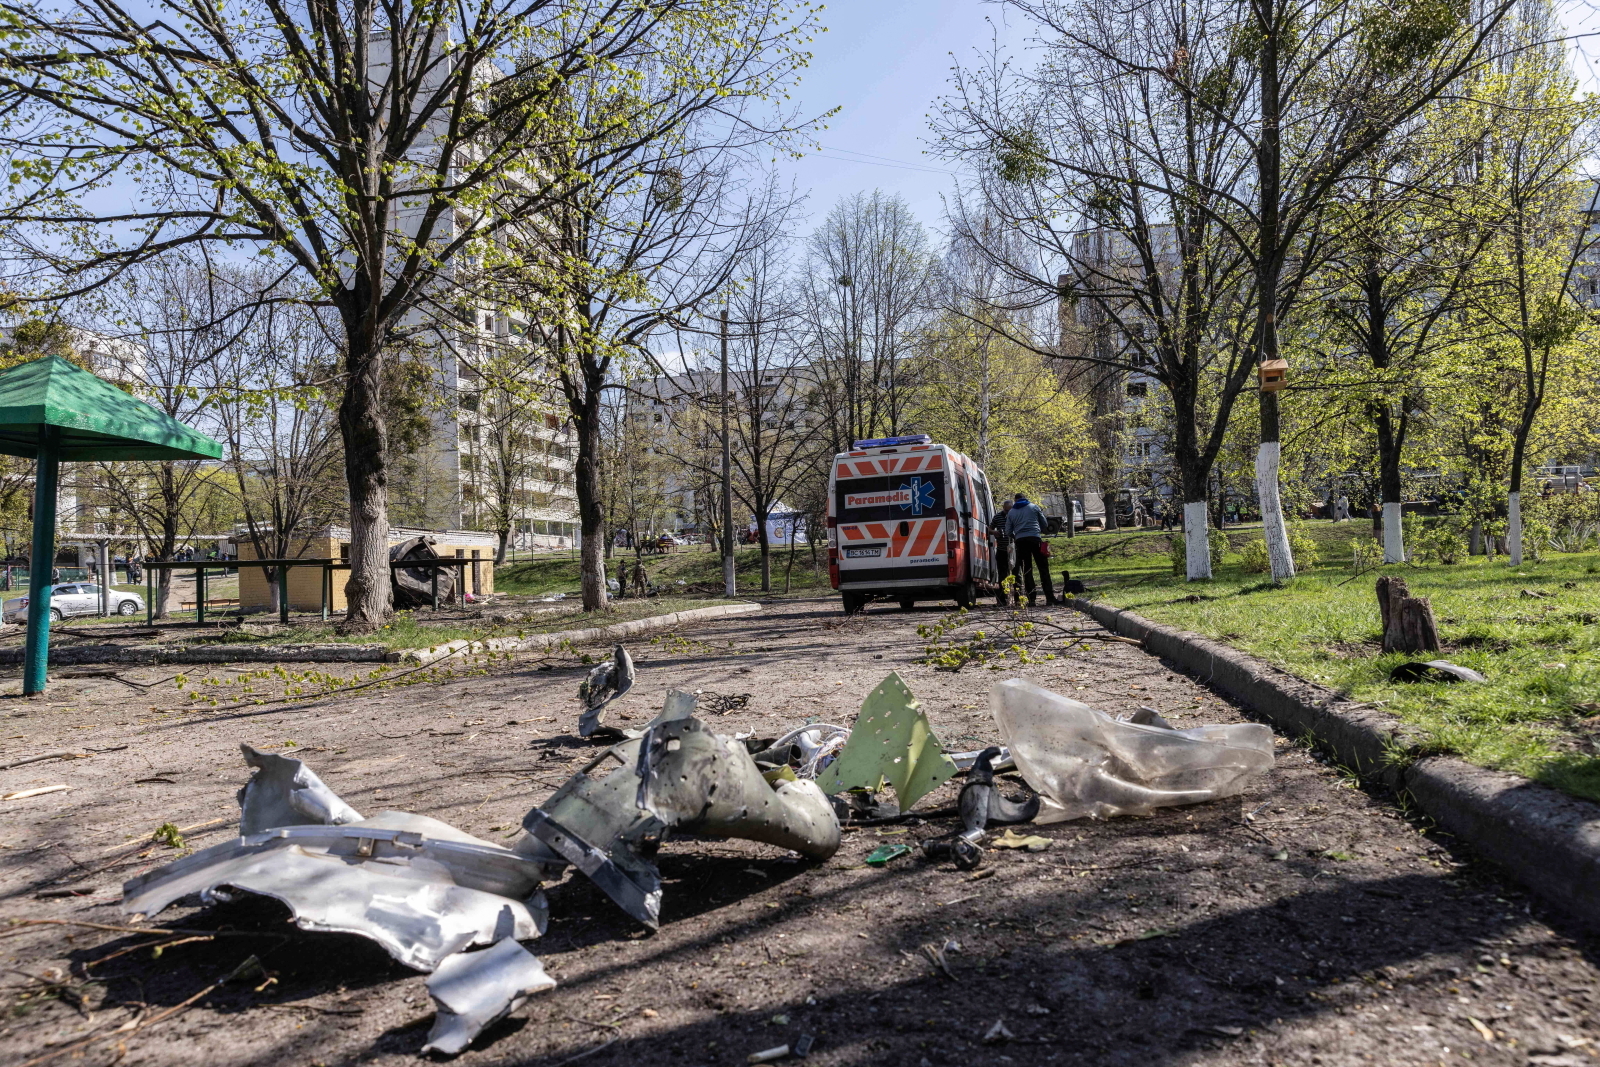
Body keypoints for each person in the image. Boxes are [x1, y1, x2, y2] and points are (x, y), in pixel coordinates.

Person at [1005, 492, 1057, 607]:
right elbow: (1044, 523)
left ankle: (1031, 599)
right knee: (1043, 568)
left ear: (1015, 500)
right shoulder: (1034, 507)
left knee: (1027, 570)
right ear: (1025, 498)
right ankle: (1049, 598)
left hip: (1021, 542)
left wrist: (1016, 536)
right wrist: (1037, 530)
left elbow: (1008, 531)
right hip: (1035, 539)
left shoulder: (1011, 512)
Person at [988, 501, 1016, 607]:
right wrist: (994, 532)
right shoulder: (997, 517)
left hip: (1013, 548)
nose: (1007, 512)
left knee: (1016, 573)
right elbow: (989, 528)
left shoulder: (1015, 515)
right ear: (1003, 508)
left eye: (1009, 510)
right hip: (1001, 549)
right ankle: (1002, 600)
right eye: (1006, 510)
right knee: (1002, 575)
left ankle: (1018, 599)